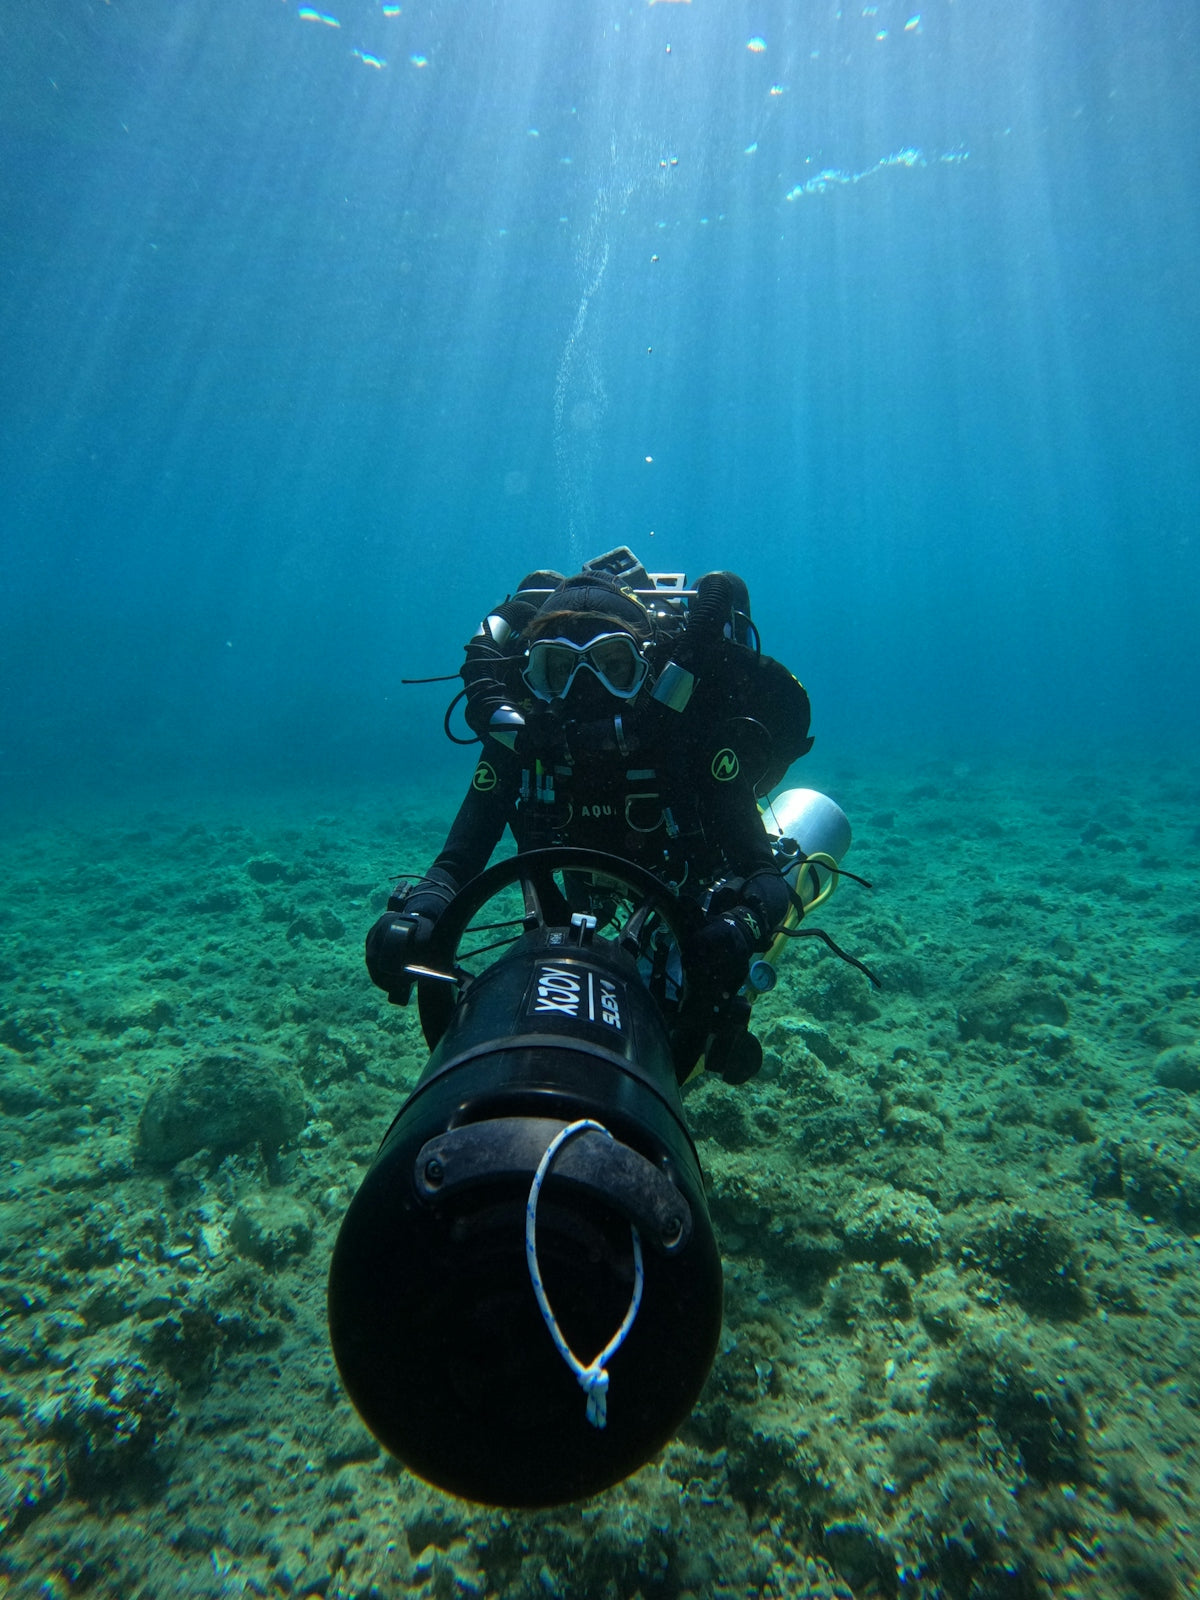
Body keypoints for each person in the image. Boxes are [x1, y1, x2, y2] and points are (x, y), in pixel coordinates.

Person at [366, 546, 815, 1083]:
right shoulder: (521, 744)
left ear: (647, 668)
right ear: (530, 675)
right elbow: (456, 863)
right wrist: (420, 916)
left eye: (612, 664)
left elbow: (759, 872)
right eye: (557, 669)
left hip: (683, 887)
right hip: (570, 900)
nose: (585, 689)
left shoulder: (688, 737)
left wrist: (740, 927)